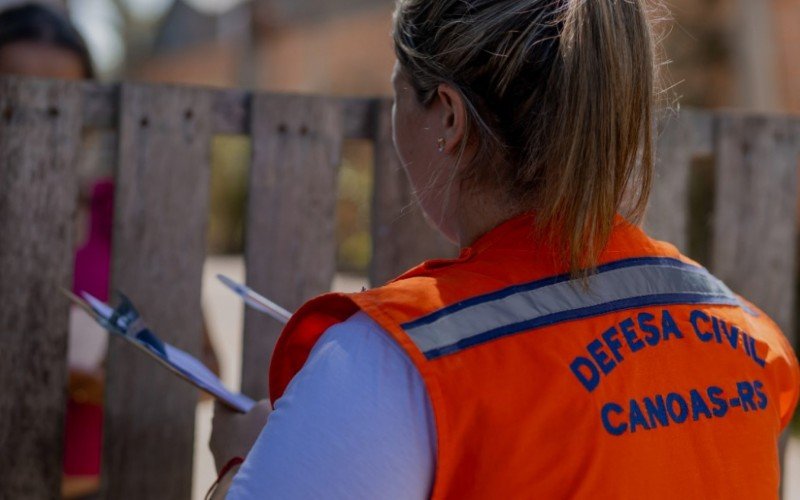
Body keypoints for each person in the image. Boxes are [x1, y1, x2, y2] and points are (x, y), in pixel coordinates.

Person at [210, 0, 800, 498]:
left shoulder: (387, 362)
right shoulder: (750, 340)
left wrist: (242, 465)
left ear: (447, 116)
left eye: (397, 95)